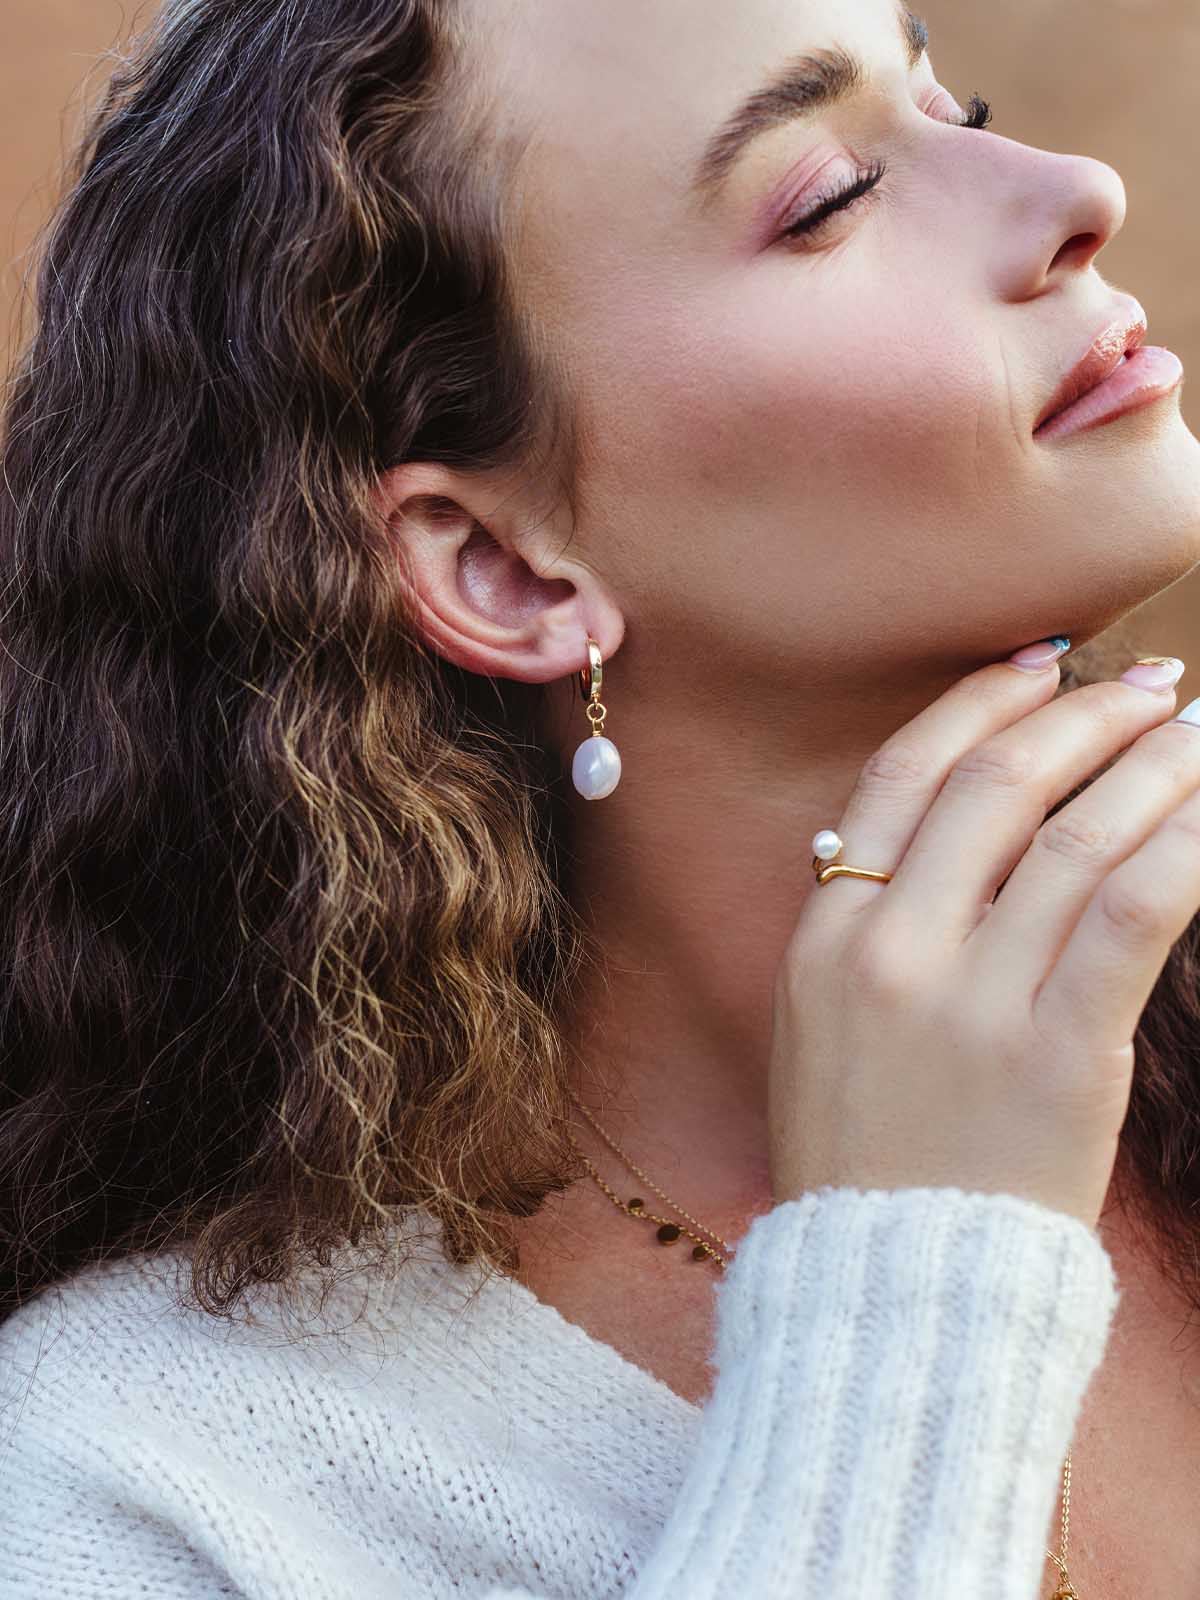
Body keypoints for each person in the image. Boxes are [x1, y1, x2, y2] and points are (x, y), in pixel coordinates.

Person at [2, 0, 1200, 1594]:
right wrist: (916, 1269)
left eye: (955, 103)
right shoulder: (164, 1484)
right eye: (831, 197)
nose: (1075, 190)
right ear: (499, 565)